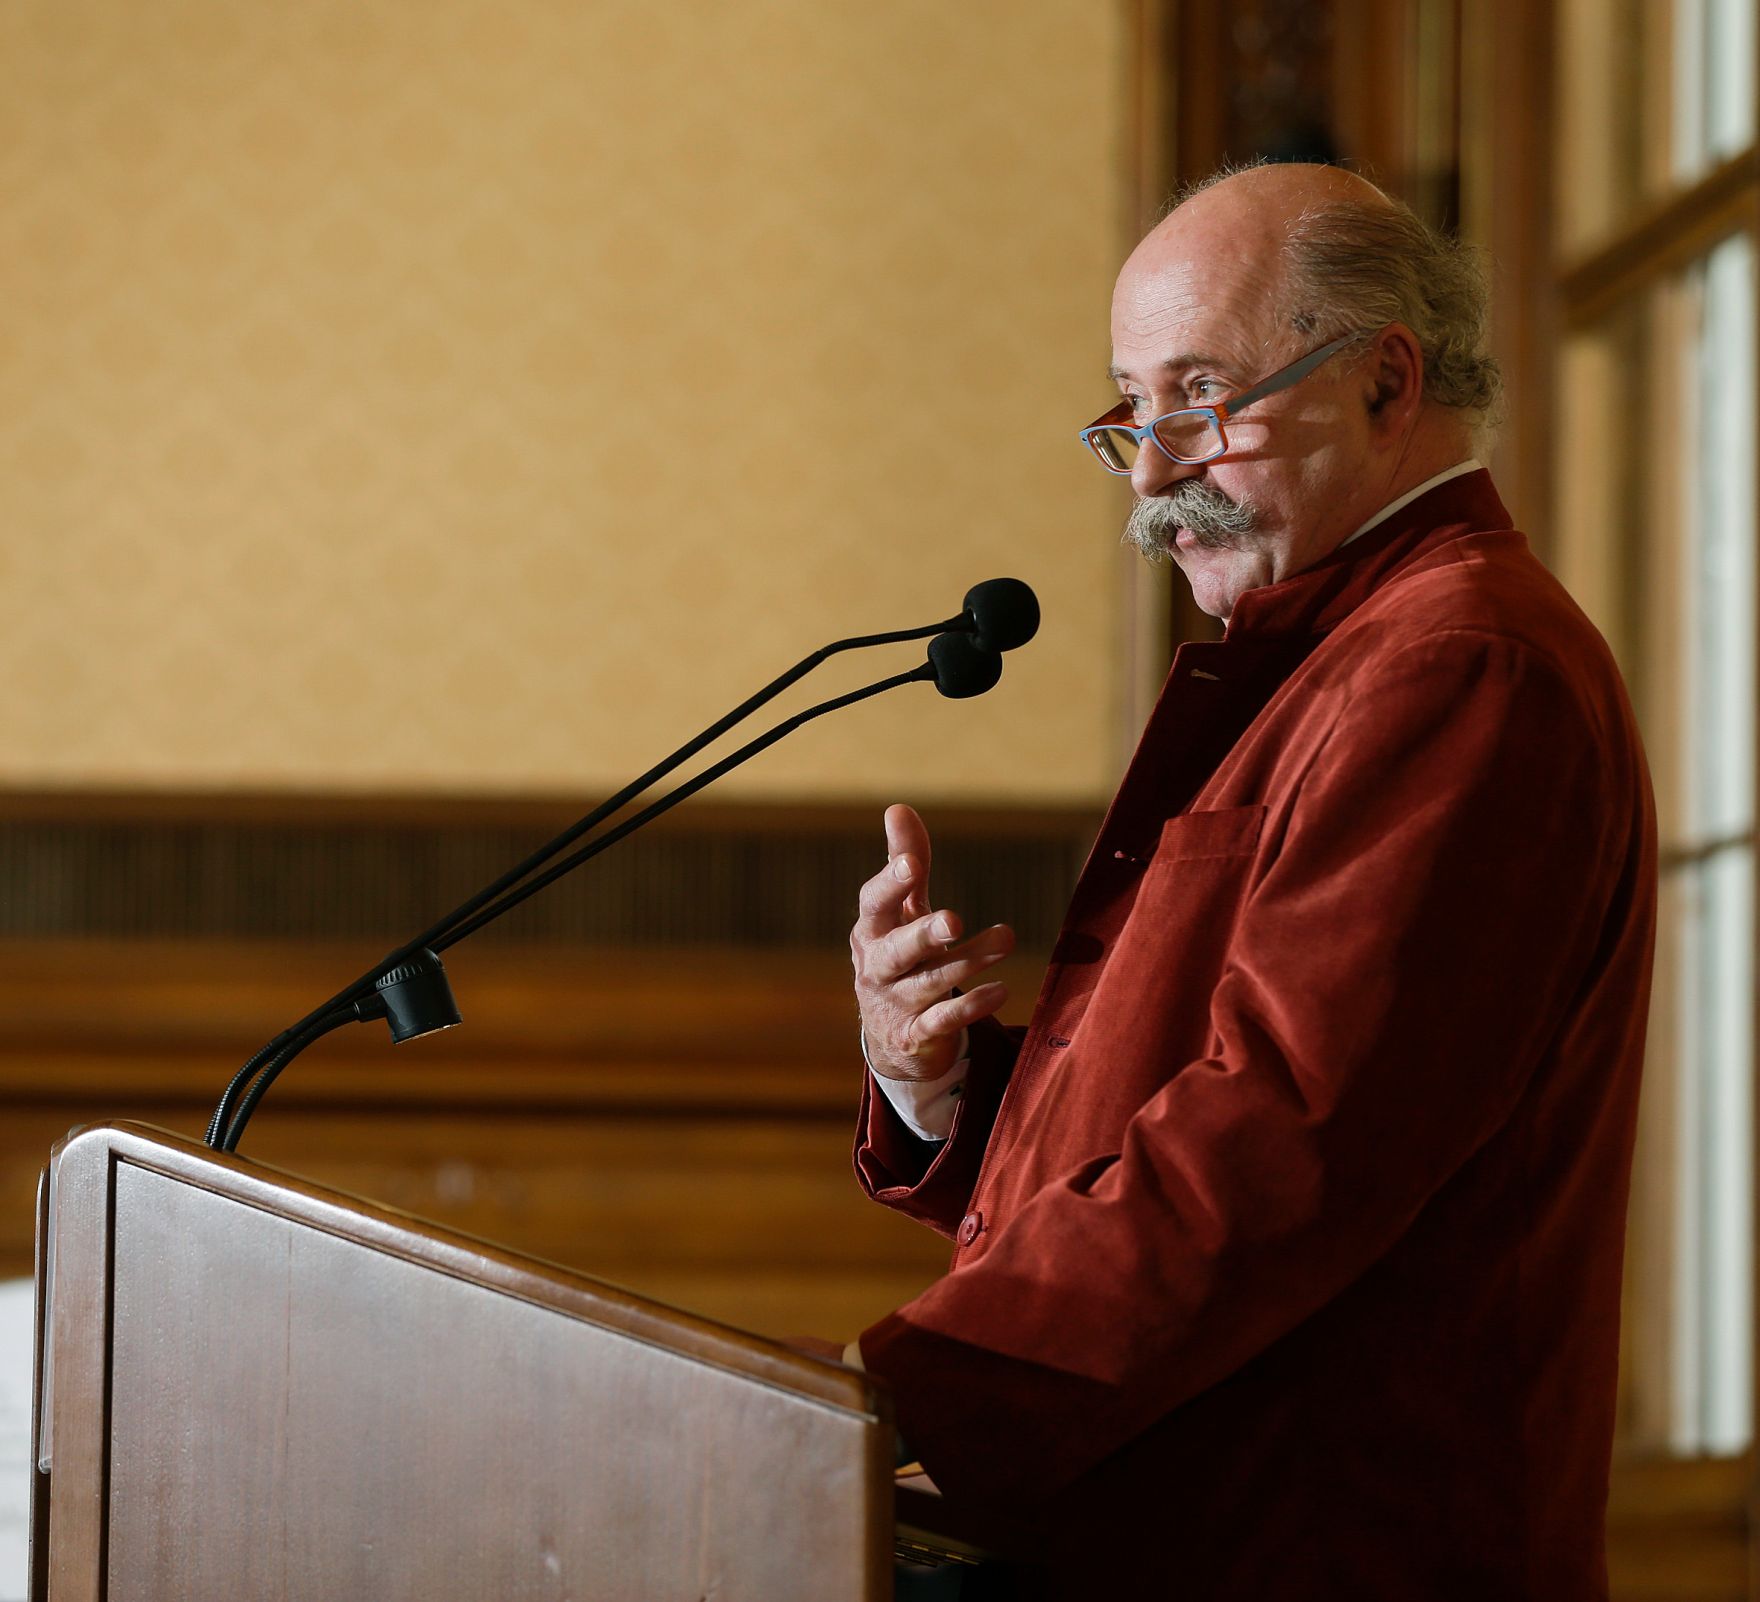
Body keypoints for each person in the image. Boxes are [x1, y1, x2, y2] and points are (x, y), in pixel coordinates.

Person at [839, 163, 1657, 1599]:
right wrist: (946, 1094)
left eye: (1198, 401)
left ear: (1387, 384)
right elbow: (1203, 1099)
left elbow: (1282, 1141)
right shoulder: (1339, 653)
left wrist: (890, 1387)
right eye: (1131, 412)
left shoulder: (1463, 667)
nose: (1152, 471)